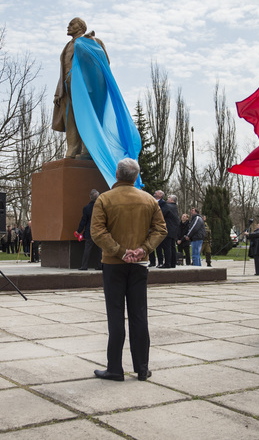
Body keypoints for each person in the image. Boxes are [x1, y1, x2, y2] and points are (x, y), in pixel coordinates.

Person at [90, 158, 167, 382]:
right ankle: (142, 368)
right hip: (139, 266)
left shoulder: (104, 199)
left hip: (114, 265)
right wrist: (143, 250)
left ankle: (115, 368)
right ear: (136, 176)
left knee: (116, 316)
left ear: (117, 174)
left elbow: (97, 232)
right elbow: (161, 229)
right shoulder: (150, 200)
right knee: (139, 315)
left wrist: (120, 251)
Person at [52, 17, 109, 159]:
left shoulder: (92, 41)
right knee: (70, 119)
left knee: (87, 116)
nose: (68, 26)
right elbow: (63, 69)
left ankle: (87, 149)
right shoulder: (67, 46)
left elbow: (104, 63)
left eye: (72, 24)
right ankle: (72, 149)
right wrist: (58, 92)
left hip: (86, 88)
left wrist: (91, 44)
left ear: (81, 27)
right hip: (68, 88)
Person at [77, 189, 102, 270]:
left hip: (90, 231)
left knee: (87, 249)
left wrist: (78, 231)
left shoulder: (86, 208)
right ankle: (100, 265)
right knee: (100, 249)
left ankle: (84, 266)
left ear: (90, 197)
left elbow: (83, 220)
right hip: (100, 231)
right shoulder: (101, 207)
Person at [158, 195, 181, 268]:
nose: (167, 199)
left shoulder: (167, 206)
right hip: (174, 230)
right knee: (172, 246)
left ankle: (167, 263)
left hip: (168, 229)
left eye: (168, 198)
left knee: (167, 247)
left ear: (172, 200)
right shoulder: (175, 207)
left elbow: (161, 214)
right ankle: (173, 263)